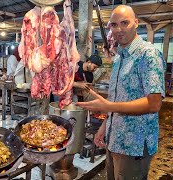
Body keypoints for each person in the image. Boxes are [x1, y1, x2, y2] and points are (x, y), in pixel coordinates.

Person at [76, 5, 166, 179]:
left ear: (136, 23)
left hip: (135, 144)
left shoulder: (148, 54)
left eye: (124, 23)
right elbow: (118, 98)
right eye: (114, 25)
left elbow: (154, 103)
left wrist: (108, 105)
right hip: (114, 138)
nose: (119, 29)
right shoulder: (118, 59)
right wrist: (104, 126)